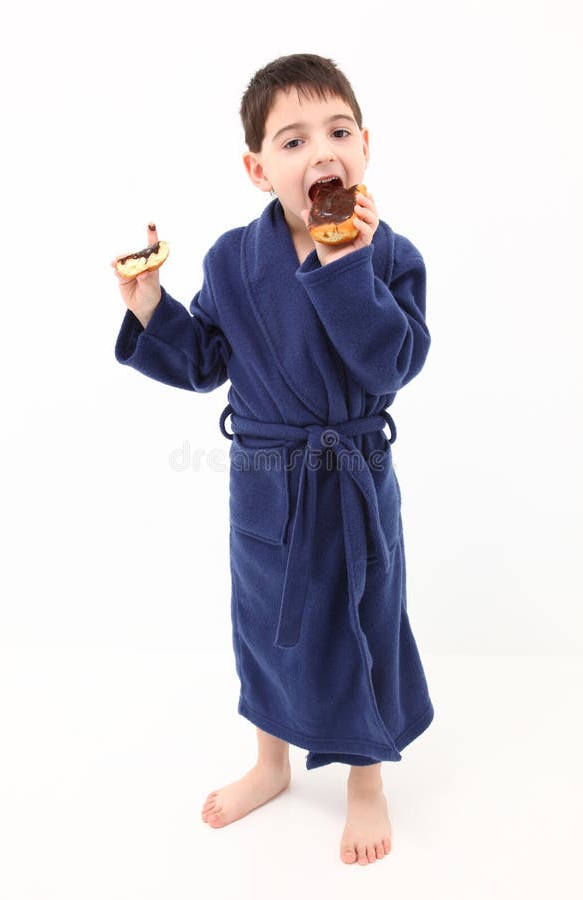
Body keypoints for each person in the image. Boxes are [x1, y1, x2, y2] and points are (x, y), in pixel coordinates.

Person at [112, 53, 434, 866]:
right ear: (259, 169)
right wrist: (151, 304)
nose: (319, 152)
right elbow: (203, 358)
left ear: (366, 147)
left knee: (364, 617)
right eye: (292, 141)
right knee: (264, 624)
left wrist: (343, 267)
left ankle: (366, 776)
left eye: (337, 132)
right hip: (268, 482)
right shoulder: (232, 260)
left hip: (354, 476)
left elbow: (391, 363)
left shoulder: (386, 254)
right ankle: (270, 762)